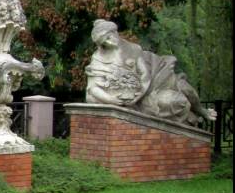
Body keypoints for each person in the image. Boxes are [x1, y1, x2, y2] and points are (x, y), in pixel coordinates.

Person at [86, 19, 215, 126]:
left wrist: (138, 95)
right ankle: (187, 115)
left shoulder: (132, 48)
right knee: (177, 102)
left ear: (115, 32)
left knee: (185, 88)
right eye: (104, 42)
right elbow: (92, 88)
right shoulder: (98, 59)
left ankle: (201, 110)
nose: (109, 42)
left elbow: (145, 74)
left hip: (153, 81)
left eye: (109, 37)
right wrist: (111, 100)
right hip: (136, 99)